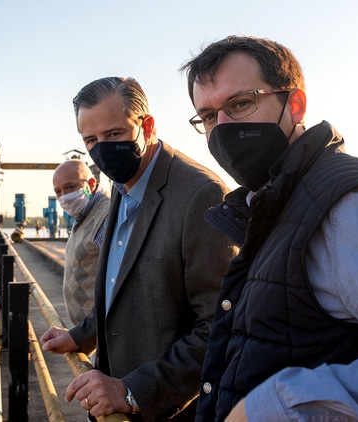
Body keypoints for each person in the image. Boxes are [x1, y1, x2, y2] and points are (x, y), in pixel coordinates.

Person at [179, 35, 358, 422]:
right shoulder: (274, 205)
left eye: (240, 104)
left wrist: (277, 405)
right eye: (210, 116)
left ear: (294, 105)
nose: (223, 128)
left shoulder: (351, 205)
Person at [40, 76, 237, 421]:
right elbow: (120, 285)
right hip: (106, 400)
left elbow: (218, 326)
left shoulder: (200, 195)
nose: (102, 149)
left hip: (165, 410)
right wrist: (81, 336)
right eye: (91, 140)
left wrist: (132, 391)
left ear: (147, 126)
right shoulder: (121, 185)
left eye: (114, 135)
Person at [53, 159, 111, 326]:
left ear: (91, 184)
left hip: (102, 330)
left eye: (70, 187)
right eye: (58, 191)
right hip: (88, 334)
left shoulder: (107, 216)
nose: (64, 196)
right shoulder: (83, 213)